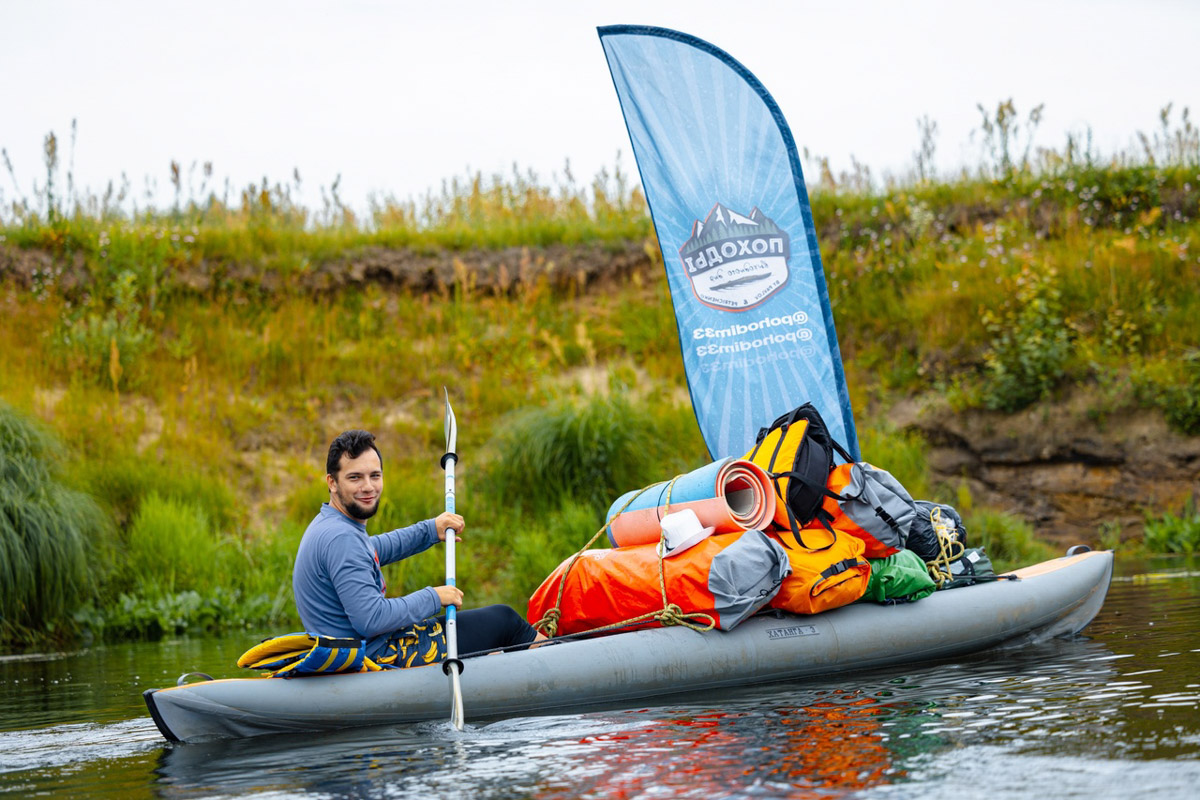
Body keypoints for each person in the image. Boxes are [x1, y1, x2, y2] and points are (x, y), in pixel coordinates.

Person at [293, 429, 545, 667]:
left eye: (375, 475)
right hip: (377, 656)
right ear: (332, 482)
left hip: (360, 650)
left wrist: (430, 530)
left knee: (491, 632)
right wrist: (434, 597)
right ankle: (565, 664)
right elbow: (371, 619)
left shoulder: (329, 524)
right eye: (355, 477)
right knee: (504, 622)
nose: (368, 487)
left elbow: (373, 549)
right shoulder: (342, 538)